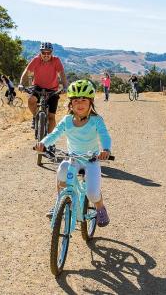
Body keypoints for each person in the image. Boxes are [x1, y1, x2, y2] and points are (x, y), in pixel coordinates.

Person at [35, 79, 111, 227]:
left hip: (91, 161)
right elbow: (55, 134)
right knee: (62, 170)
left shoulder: (96, 120)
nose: (80, 104)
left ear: (91, 103)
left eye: (84, 100)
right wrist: (43, 143)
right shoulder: (67, 120)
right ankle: (59, 204)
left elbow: (105, 136)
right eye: (76, 100)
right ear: (70, 104)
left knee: (93, 193)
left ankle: (100, 208)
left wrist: (106, 150)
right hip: (73, 160)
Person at [18, 41, 68, 133]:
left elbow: (62, 74)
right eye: (43, 52)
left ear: (51, 52)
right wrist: (21, 83)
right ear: (40, 52)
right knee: (31, 100)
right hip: (38, 87)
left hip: (53, 90)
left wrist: (65, 87)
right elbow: (26, 71)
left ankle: (49, 141)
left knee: (51, 117)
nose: (46, 55)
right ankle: (35, 116)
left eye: (48, 52)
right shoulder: (36, 60)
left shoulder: (56, 60)